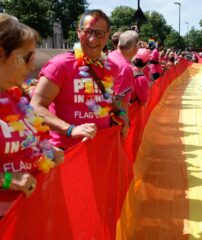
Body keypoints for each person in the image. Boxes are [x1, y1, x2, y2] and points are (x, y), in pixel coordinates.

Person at [31, 9, 128, 150]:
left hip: (101, 150)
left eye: (99, 33)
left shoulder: (112, 68)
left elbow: (105, 97)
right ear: (78, 32)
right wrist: (70, 130)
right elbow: (35, 107)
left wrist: (120, 112)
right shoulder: (60, 65)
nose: (92, 39)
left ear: (107, 36)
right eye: (87, 32)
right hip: (67, 154)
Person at [0, 13, 63, 214]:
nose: (32, 66)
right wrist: (8, 180)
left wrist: (48, 150)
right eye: (27, 57)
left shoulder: (17, 97)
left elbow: (30, 141)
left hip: (30, 213)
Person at [107, 30, 140, 112]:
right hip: (112, 117)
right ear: (136, 47)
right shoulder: (126, 68)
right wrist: (125, 123)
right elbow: (121, 102)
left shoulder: (110, 55)